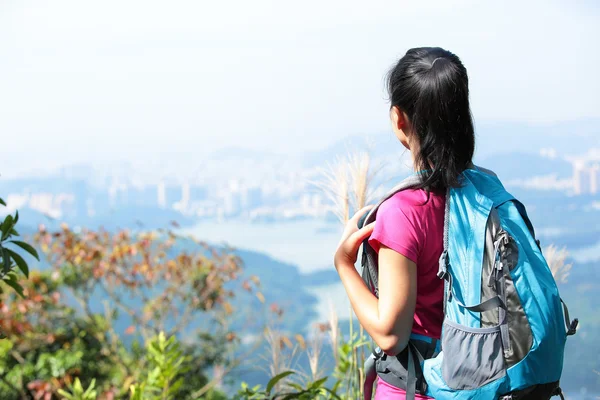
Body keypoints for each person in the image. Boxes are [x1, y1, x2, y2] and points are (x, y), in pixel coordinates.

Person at [333, 47, 475, 399]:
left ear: (399, 119)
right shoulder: (484, 193)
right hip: (482, 384)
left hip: (421, 389)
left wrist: (344, 265)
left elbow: (390, 334)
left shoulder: (404, 211)